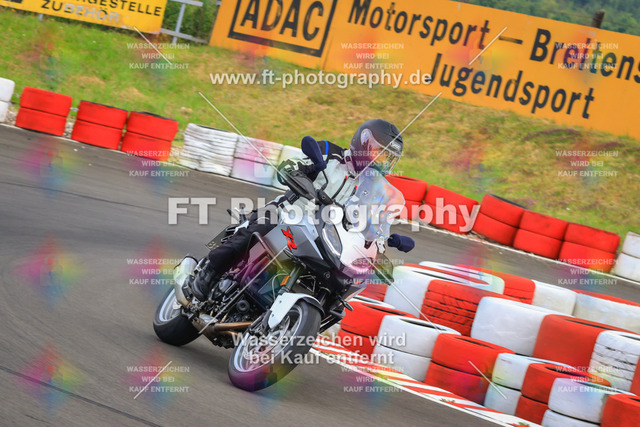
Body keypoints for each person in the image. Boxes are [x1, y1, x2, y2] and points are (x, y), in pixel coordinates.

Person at [187, 119, 405, 302]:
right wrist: (302, 171)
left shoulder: (371, 189)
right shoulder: (328, 153)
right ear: (363, 143)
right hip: (289, 213)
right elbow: (290, 165)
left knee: (339, 279)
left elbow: (369, 222)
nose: (381, 163)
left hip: (324, 236)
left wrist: (378, 247)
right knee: (263, 225)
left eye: (388, 159)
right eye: (379, 154)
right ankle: (210, 271)